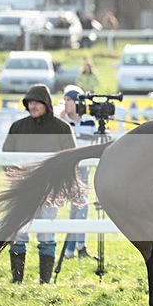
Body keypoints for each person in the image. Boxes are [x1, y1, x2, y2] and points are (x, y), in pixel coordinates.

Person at [3, 84, 76, 284]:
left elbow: (71, 160)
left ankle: (44, 282)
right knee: (19, 235)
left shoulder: (62, 128)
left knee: (46, 236)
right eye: (30, 103)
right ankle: (17, 280)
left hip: (50, 192)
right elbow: (6, 156)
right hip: (22, 190)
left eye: (37, 102)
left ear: (46, 103)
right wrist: (15, 181)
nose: (33, 106)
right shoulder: (18, 127)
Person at [59, 85, 96, 259]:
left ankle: (73, 249)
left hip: (84, 167)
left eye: (69, 100)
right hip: (68, 168)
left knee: (80, 206)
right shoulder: (61, 121)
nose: (66, 103)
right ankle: (76, 249)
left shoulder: (89, 121)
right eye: (65, 100)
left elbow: (89, 145)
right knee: (79, 205)